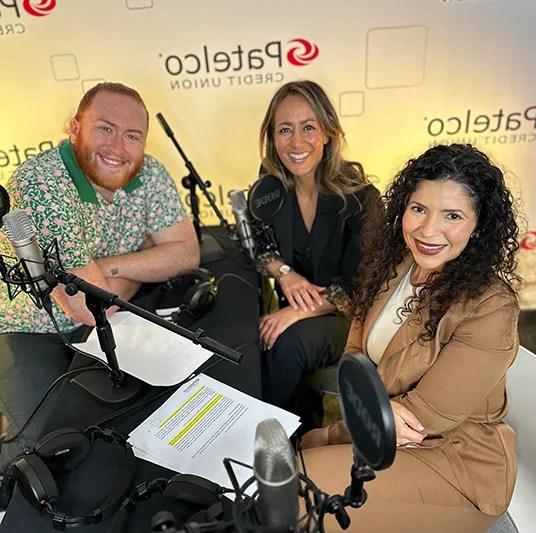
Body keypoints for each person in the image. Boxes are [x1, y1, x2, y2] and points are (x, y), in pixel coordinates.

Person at [301, 143, 521, 532]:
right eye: (419, 209)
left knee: (302, 488)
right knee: (296, 463)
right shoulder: (396, 263)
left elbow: (422, 420)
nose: (428, 230)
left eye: (452, 215)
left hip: (455, 465)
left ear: (479, 224)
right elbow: (356, 355)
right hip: (382, 435)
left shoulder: (491, 306)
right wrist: (367, 410)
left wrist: (332, 433)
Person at [0, 82, 199, 471]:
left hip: (107, 318)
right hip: (28, 327)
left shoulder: (149, 171)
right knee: (35, 453)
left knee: (131, 434)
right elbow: (88, 308)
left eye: (132, 136)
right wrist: (143, 259)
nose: (118, 148)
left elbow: (186, 252)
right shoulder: (42, 183)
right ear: (74, 128)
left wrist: (105, 271)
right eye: (105, 128)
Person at [256, 80, 382, 425]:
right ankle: (300, 427)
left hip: (350, 319)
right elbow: (258, 247)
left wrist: (298, 312)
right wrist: (285, 273)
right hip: (297, 312)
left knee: (289, 341)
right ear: (272, 137)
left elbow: (362, 289)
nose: (296, 142)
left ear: (327, 133)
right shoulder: (270, 187)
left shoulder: (363, 198)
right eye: (285, 129)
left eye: (308, 127)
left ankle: (262, 439)